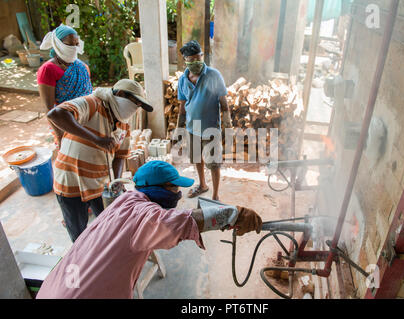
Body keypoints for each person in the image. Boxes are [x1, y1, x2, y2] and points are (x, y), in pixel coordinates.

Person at [36, 160, 262, 299]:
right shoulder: (142, 216)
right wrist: (234, 214)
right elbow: (177, 222)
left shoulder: (126, 201)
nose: (178, 193)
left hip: (56, 288)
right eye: (174, 187)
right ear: (156, 189)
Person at [46, 79, 154, 242]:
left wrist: (117, 180)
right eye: (135, 103)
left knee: (107, 223)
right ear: (121, 94)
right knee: (78, 231)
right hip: (70, 181)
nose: (135, 108)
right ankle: (83, 260)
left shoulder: (123, 124)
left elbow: (120, 155)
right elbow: (56, 114)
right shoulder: (92, 103)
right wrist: (96, 139)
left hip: (98, 183)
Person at [176, 40, 233, 201]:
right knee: (196, 159)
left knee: (214, 163)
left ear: (202, 56)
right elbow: (182, 106)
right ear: (185, 61)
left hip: (210, 127)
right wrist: (179, 129)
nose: (196, 62)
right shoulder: (182, 80)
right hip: (191, 127)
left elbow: (224, 102)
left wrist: (227, 124)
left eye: (198, 58)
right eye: (191, 60)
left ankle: (215, 195)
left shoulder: (214, 75)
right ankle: (202, 185)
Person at [38, 24, 93, 150]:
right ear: (57, 44)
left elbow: (90, 94)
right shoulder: (48, 70)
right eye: (69, 44)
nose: (73, 48)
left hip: (88, 121)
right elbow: (49, 109)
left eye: (76, 44)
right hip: (66, 124)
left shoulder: (82, 67)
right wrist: (59, 135)